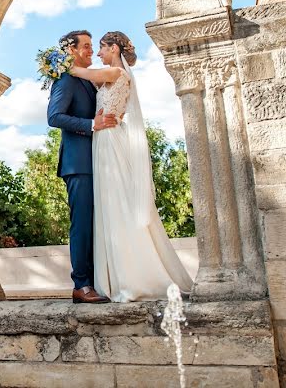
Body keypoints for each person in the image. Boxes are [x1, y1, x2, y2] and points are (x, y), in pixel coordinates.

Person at [68, 31, 193, 301]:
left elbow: (81, 73)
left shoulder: (115, 74)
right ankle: (114, 274)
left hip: (109, 139)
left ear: (113, 49)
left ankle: (130, 277)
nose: (98, 54)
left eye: (100, 48)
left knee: (115, 203)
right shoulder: (114, 75)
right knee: (110, 204)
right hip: (104, 139)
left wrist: (62, 61)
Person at [47, 30, 117, 304]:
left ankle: (98, 280)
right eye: (86, 46)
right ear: (72, 50)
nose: (91, 50)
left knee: (97, 223)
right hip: (78, 164)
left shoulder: (87, 81)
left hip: (97, 160)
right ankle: (81, 285)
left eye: (91, 46)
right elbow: (54, 117)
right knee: (82, 225)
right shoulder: (66, 79)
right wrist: (91, 125)